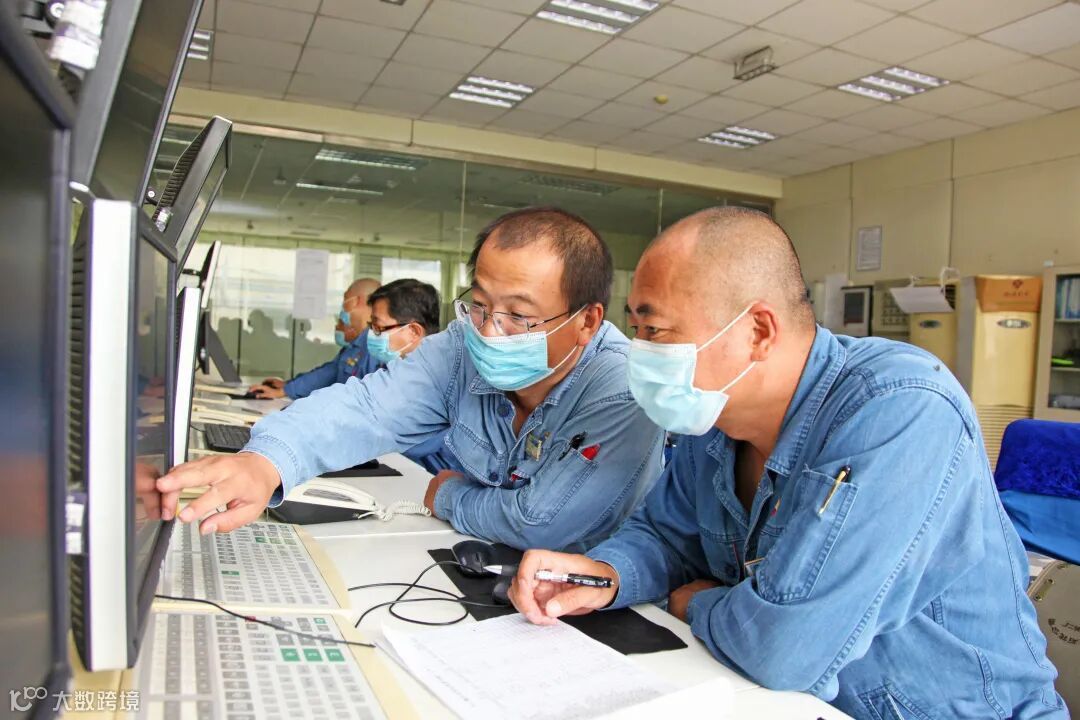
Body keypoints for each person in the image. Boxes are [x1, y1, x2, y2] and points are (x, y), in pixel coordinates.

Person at [509, 208, 1065, 719]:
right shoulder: (714, 414)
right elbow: (667, 536)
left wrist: (699, 602)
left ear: (758, 331)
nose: (640, 351)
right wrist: (605, 575)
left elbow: (784, 648)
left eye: (655, 331)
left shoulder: (900, 407)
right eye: (637, 330)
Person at [158, 207, 665, 552]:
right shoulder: (460, 348)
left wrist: (447, 496)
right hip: (489, 563)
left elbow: (542, 523)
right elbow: (366, 407)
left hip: (590, 607)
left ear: (587, 320)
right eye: (480, 305)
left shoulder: (622, 387)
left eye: (519, 316)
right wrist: (266, 461)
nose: (490, 332)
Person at [252, 277, 380, 399]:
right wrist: (287, 388)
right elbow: (327, 374)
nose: (342, 306)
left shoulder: (376, 346)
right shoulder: (355, 345)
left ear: (358, 301)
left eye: (345, 299)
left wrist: (285, 391)